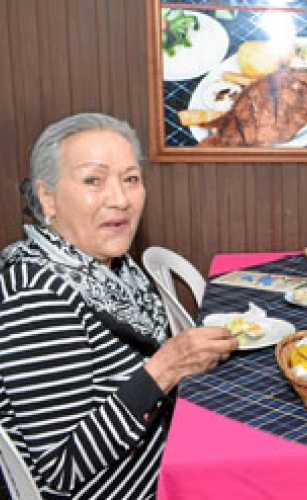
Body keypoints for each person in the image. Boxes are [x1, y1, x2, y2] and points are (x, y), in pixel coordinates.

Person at [0, 113, 239, 499]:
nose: (120, 199)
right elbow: (61, 467)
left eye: (130, 179)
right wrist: (166, 366)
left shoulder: (108, 265)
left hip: (166, 453)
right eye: (93, 180)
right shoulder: (37, 295)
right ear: (48, 199)